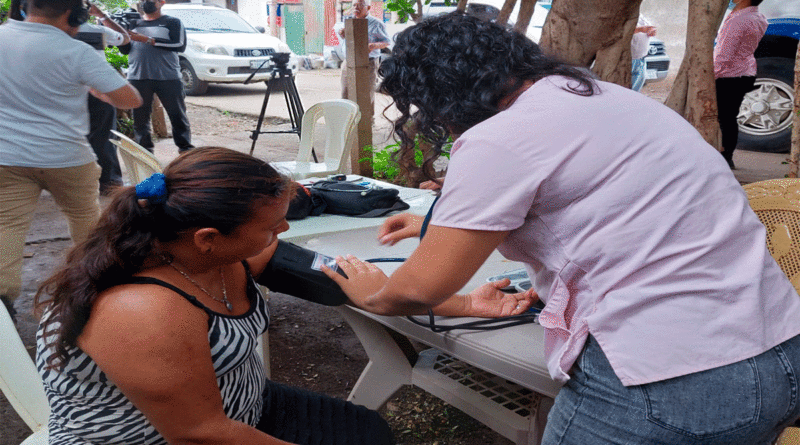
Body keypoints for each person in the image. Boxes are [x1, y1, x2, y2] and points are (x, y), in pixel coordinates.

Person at [320, 13, 800, 444]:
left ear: (436, 95)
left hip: (672, 383)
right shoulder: (608, 98)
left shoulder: (502, 137)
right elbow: (604, 193)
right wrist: (437, 217)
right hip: (779, 347)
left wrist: (374, 296)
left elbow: (421, 287)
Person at [34, 147, 536, 444]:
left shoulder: (225, 255)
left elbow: (336, 275)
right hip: (167, 438)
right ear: (209, 236)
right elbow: (199, 434)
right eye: (273, 225)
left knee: (365, 433)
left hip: (240, 407)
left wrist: (464, 303)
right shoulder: (140, 309)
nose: (286, 230)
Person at [0, 0, 142, 325]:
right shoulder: (76, 51)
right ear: (73, 15)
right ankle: (96, 288)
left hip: (6, 156)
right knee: (86, 221)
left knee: (6, 226)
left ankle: (3, 309)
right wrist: (99, 92)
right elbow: (130, 98)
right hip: (65, 156)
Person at [120, 0, 194, 154]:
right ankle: (146, 153)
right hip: (138, 77)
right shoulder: (133, 22)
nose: (146, 2)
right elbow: (125, 50)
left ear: (161, 2)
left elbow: (179, 45)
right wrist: (122, 37)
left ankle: (186, 151)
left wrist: (147, 39)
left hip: (168, 77)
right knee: (140, 120)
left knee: (177, 116)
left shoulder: (172, 22)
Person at [78, 3, 130, 194]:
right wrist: (102, 15)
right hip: (97, 90)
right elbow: (125, 38)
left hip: (66, 91)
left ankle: (77, 183)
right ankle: (109, 182)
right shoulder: (96, 31)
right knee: (104, 136)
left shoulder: (53, 34)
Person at [714, 0, 768, 169]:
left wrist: (710, 75)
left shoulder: (739, 20)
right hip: (745, 72)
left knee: (724, 117)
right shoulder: (758, 17)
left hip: (729, 75)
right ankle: (726, 156)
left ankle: (724, 156)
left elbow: (724, 55)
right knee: (729, 116)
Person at [336, 0, 390, 111]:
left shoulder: (376, 23)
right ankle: (348, 120)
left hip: (368, 62)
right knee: (346, 91)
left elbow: (386, 42)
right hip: (349, 61)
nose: (356, 8)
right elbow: (350, 40)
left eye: (360, 5)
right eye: (354, 5)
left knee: (366, 93)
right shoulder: (349, 21)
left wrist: (373, 45)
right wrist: (343, 35)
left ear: (368, 8)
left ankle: (367, 122)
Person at [630, 14, 656, 92]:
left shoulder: (641, 15)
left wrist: (651, 31)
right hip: (630, 58)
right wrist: (640, 29)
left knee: (636, 87)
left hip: (641, 57)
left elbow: (648, 28)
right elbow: (622, 31)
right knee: (627, 87)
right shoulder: (623, 14)